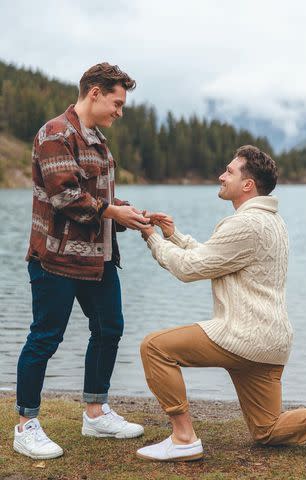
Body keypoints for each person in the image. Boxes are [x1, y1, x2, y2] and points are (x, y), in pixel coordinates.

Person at [137, 145, 306, 464]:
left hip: (242, 338)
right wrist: (174, 236)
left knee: (155, 347)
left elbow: (190, 268)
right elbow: (217, 258)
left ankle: (183, 438)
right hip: (269, 343)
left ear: (248, 184)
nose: (221, 175)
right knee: (267, 430)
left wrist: (152, 238)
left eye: (229, 171)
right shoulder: (271, 221)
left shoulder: (245, 224)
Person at [14, 63, 154, 460]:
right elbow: (67, 197)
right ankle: (25, 426)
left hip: (98, 259)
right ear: (94, 92)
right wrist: (113, 213)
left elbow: (100, 196)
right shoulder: (55, 133)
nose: (119, 111)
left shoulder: (97, 139)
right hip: (54, 259)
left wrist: (132, 213)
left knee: (110, 328)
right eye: (117, 102)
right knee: (46, 337)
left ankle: (95, 413)